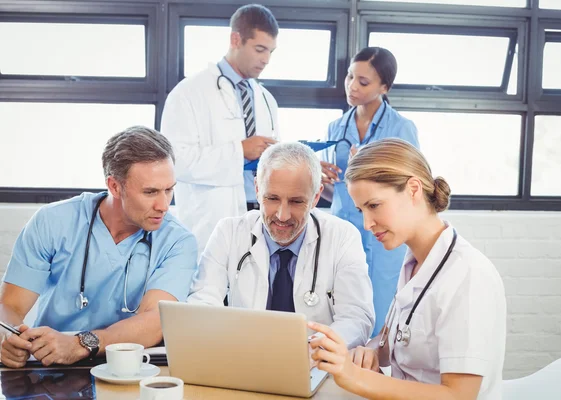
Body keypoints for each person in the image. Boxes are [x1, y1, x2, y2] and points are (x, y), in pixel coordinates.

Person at [310, 138, 506, 400]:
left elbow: (458, 396)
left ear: (413, 189)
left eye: (374, 205)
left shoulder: (467, 275)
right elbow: (397, 336)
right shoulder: (414, 263)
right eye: (361, 210)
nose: (367, 223)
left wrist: (356, 376)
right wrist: (368, 351)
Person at [0, 126, 198, 368]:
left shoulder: (178, 241)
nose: (164, 205)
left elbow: (154, 322)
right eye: (150, 192)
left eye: (169, 190)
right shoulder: (52, 222)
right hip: (50, 364)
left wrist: (80, 344)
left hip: (129, 366)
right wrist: (8, 337)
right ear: (114, 186)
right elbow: (10, 306)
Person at [188, 142, 375, 349]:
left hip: (317, 363)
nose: (282, 215)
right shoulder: (229, 232)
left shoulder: (342, 237)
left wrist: (314, 349)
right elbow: (202, 304)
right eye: (272, 198)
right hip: (243, 358)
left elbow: (356, 318)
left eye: (296, 202)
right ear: (258, 189)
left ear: (316, 197)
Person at [161, 4, 280, 253]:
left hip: (261, 216)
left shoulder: (266, 98)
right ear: (235, 39)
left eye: (270, 51)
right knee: (212, 288)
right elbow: (175, 161)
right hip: (210, 221)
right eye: (259, 49)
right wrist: (239, 151)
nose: (266, 60)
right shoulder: (188, 93)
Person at [320, 47, 420, 335]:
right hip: (342, 231)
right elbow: (336, 194)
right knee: (341, 310)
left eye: (363, 82)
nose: (352, 86)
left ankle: (378, 376)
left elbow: (413, 186)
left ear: (384, 87)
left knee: (382, 314)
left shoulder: (401, 128)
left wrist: (369, 169)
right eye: (350, 76)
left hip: (383, 236)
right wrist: (320, 178)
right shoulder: (334, 128)